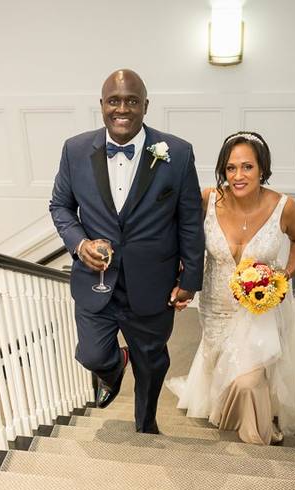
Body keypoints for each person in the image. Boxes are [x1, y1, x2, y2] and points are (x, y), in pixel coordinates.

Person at [49, 69, 205, 434]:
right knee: (91, 354)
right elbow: (60, 206)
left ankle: (146, 422)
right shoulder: (75, 150)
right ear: (102, 105)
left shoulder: (177, 154)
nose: (123, 108)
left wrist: (191, 279)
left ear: (145, 106)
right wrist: (79, 243)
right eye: (114, 101)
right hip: (96, 278)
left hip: (152, 282)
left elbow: (189, 220)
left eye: (132, 101)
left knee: (151, 362)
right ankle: (113, 366)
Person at [167, 131, 295, 444]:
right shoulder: (208, 199)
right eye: (231, 168)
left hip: (258, 309)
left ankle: (253, 427)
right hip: (215, 304)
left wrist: (287, 272)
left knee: (248, 379)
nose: (238, 175)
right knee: (218, 360)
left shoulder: (283, 207)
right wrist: (181, 273)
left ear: (262, 169)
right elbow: (183, 235)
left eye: (247, 167)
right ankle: (223, 405)